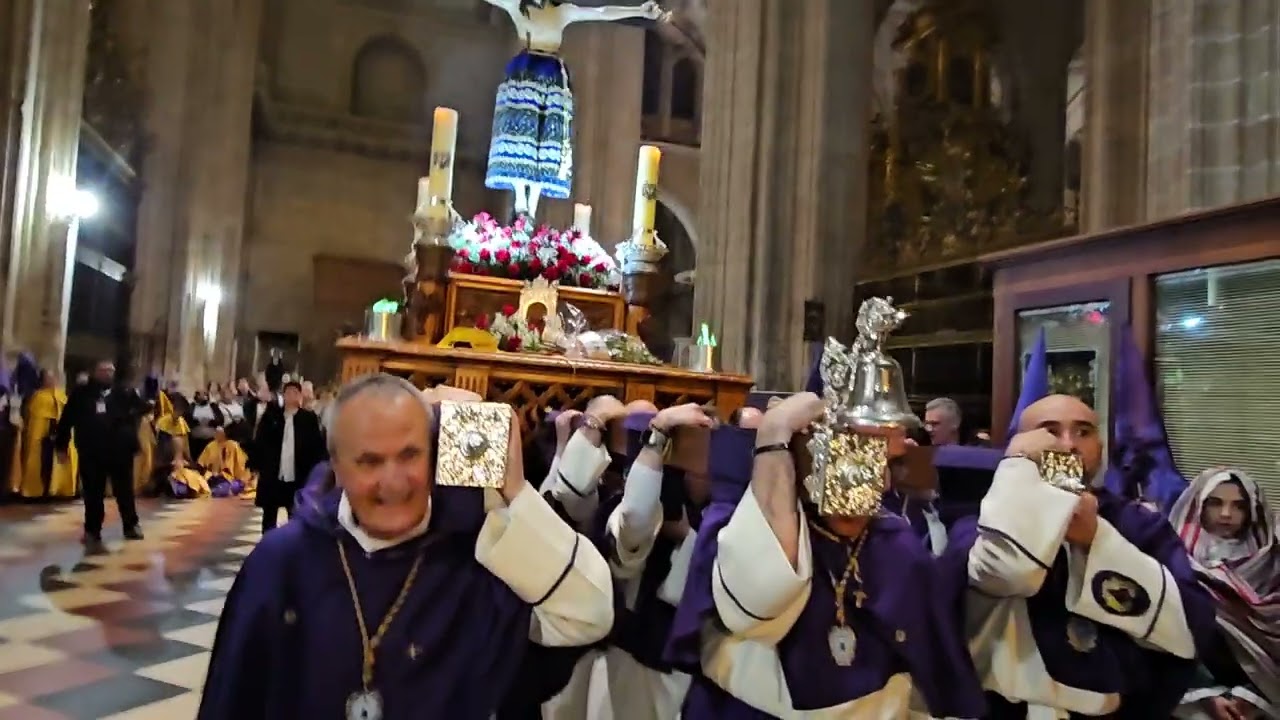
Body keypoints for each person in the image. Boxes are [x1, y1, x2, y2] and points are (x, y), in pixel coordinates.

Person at [198, 373, 615, 719]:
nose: (394, 482)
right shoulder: (282, 561)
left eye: (410, 455)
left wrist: (512, 494)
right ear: (337, 466)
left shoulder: (476, 555)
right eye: (370, 461)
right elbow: (233, 700)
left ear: (434, 456)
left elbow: (590, 614)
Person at [666, 392, 987, 718]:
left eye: (879, 459)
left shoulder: (897, 541)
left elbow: (930, 668)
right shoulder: (739, 518)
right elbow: (758, 600)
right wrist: (774, 434)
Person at [963, 393, 1218, 718]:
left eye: (1083, 432)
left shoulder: (1136, 523)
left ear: (1101, 447)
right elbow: (1001, 575)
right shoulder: (981, 520)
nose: (1068, 445)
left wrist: (1097, 540)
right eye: (1050, 432)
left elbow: (1192, 621)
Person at [481, 0, 665, 218]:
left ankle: (531, 206)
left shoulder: (562, 12)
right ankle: (521, 200)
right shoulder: (516, 6)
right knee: (522, 136)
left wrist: (639, 11)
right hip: (525, 74)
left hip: (551, 77)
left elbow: (601, 12)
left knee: (548, 139)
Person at [1169, 468, 1278, 719]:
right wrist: (1206, 693)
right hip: (1193, 690)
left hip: (1263, 693)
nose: (1227, 515)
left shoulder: (1271, 562)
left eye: (1239, 506)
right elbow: (1162, 634)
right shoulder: (1173, 561)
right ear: (1197, 506)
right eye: (1215, 504)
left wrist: (1250, 695)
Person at [55, 359, 144, 547]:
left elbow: (141, 409)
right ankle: (92, 531)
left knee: (124, 491)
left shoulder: (124, 392)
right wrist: (61, 446)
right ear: (94, 372)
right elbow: (66, 419)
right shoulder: (81, 393)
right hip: (91, 450)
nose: (108, 374)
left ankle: (131, 525)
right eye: (103, 370)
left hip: (120, 451)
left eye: (111, 371)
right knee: (93, 493)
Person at [252, 380, 326, 532]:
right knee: (269, 514)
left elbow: (316, 446)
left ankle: (292, 545)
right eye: (288, 392)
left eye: (295, 393)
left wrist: (316, 470)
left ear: (300, 396)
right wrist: (256, 464)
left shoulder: (308, 419)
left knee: (295, 512)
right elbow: (261, 441)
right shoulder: (272, 417)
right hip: (274, 472)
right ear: (284, 395)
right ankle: (268, 544)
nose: (291, 396)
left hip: (297, 472)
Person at [18, 369, 77, 499]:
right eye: (48, 378)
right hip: (41, 434)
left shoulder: (62, 395)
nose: (51, 380)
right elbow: (33, 416)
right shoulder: (38, 396)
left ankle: (59, 489)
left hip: (60, 433)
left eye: (53, 378)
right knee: (39, 461)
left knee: (61, 461)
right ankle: (35, 491)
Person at [198, 426, 251, 497]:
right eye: (216, 433)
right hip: (213, 478)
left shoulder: (233, 445)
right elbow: (202, 464)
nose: (218, 435)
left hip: (231, 479)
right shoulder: (210, 446)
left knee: (226, 489)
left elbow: (241, 467)